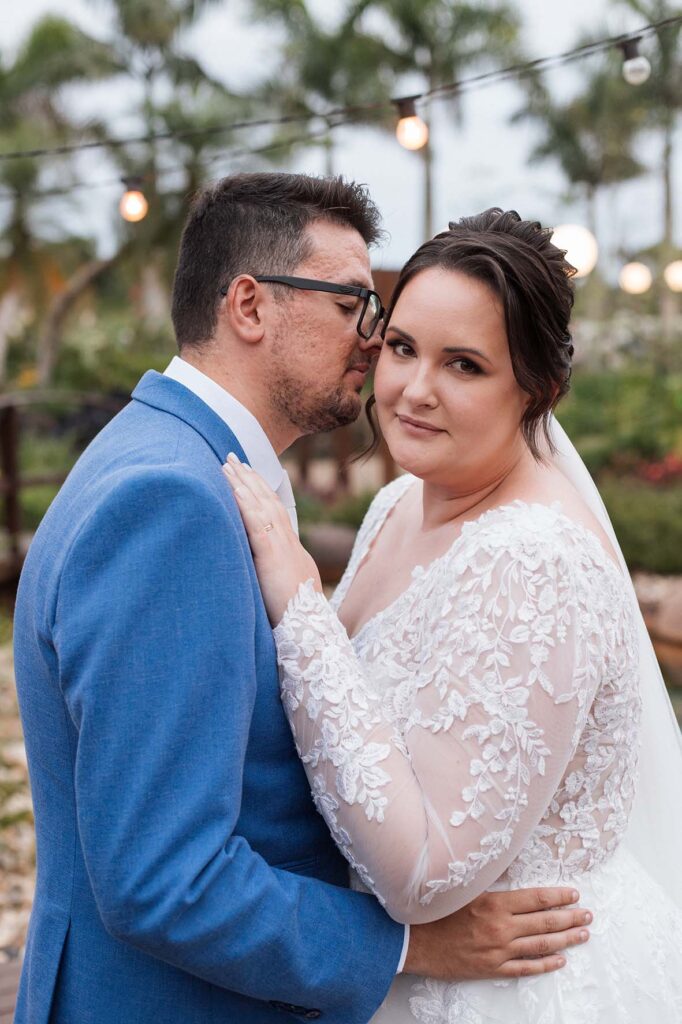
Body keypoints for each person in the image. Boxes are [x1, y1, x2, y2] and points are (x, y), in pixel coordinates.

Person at [12, 178, 589, 1024]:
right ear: (250, 305)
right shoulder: (172, 503)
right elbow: (164, 878)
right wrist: (408, 947)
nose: (373, 339)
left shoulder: (179, 460)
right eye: (353, 303)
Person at [224, 208, 682, 1023]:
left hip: (522, 986)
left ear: (537, 389)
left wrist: (299, 606)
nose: (414, 390)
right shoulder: (398, 505)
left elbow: (426, 874)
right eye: (402, 348)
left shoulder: (536, 561)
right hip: (403, 974)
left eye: (464, 365)